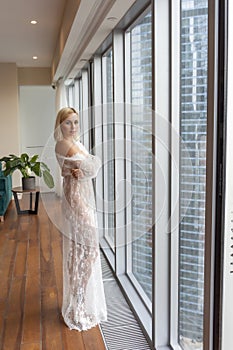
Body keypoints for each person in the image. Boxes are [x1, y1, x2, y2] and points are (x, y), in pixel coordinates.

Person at [54, 107, 107, 331]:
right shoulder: (66, 144)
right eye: (68, 122)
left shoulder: (75, 142)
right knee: (89, 250)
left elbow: (89, 167)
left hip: (81, 199)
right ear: (60, 125)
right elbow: (91, 165)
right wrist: (85, 168)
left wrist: (84, 169)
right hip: (77, 202)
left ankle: (78, 300)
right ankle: (78, 301)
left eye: (75, 122)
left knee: (80, 251)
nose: (73, 127)